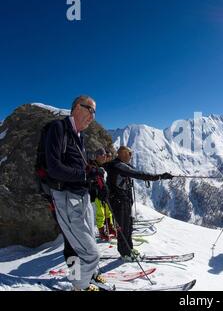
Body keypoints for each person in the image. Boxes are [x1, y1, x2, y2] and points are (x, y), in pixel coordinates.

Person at [45, 95, 105, 291]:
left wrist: (92, 173)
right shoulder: (59, 129)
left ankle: (84, 278)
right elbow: (54, 167)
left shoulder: (79, 136)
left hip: (81, 197)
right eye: (91, 110)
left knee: (76, 245)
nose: (93, 116)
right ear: (77, 108)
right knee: (77, 248)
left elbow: (78, 166)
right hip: (66, 198)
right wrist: (84, 175)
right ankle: (78, 285)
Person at [105, 146, 174, 261]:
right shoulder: (118, 166)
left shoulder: (120, 165)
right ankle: (125, 253)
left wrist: (159, 176)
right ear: (123, 154)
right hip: (119, 202)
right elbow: (138, 174)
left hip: (123, 201)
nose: (131, 156)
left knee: (128, 226)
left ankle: (129, 250)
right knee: (123, 228)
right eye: (130, 153)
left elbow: (137, 172)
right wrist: (160, 176)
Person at [90, 148, 115, 241]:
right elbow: (93, 180)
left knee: (108, 210)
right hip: (96, 193)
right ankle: (101, 232)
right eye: (102, 155)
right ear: (97, 156)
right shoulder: (93, 166)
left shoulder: (103, 166)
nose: (104, 157)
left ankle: (110, 227)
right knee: (100, 212)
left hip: (104, 192)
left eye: (105, 155)